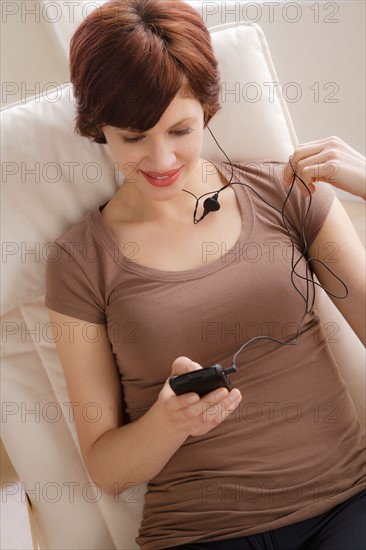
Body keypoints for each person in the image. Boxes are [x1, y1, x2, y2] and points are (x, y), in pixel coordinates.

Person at [45, 1, 366, 549]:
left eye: (180, 129)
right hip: (197, 532)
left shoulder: (285, 194)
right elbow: (107, 466)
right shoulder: (79, 260)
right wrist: (168, 423)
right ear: (98, 129)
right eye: (133, 138)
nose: (161, 158)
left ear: (209, 110)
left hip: (343, 507)